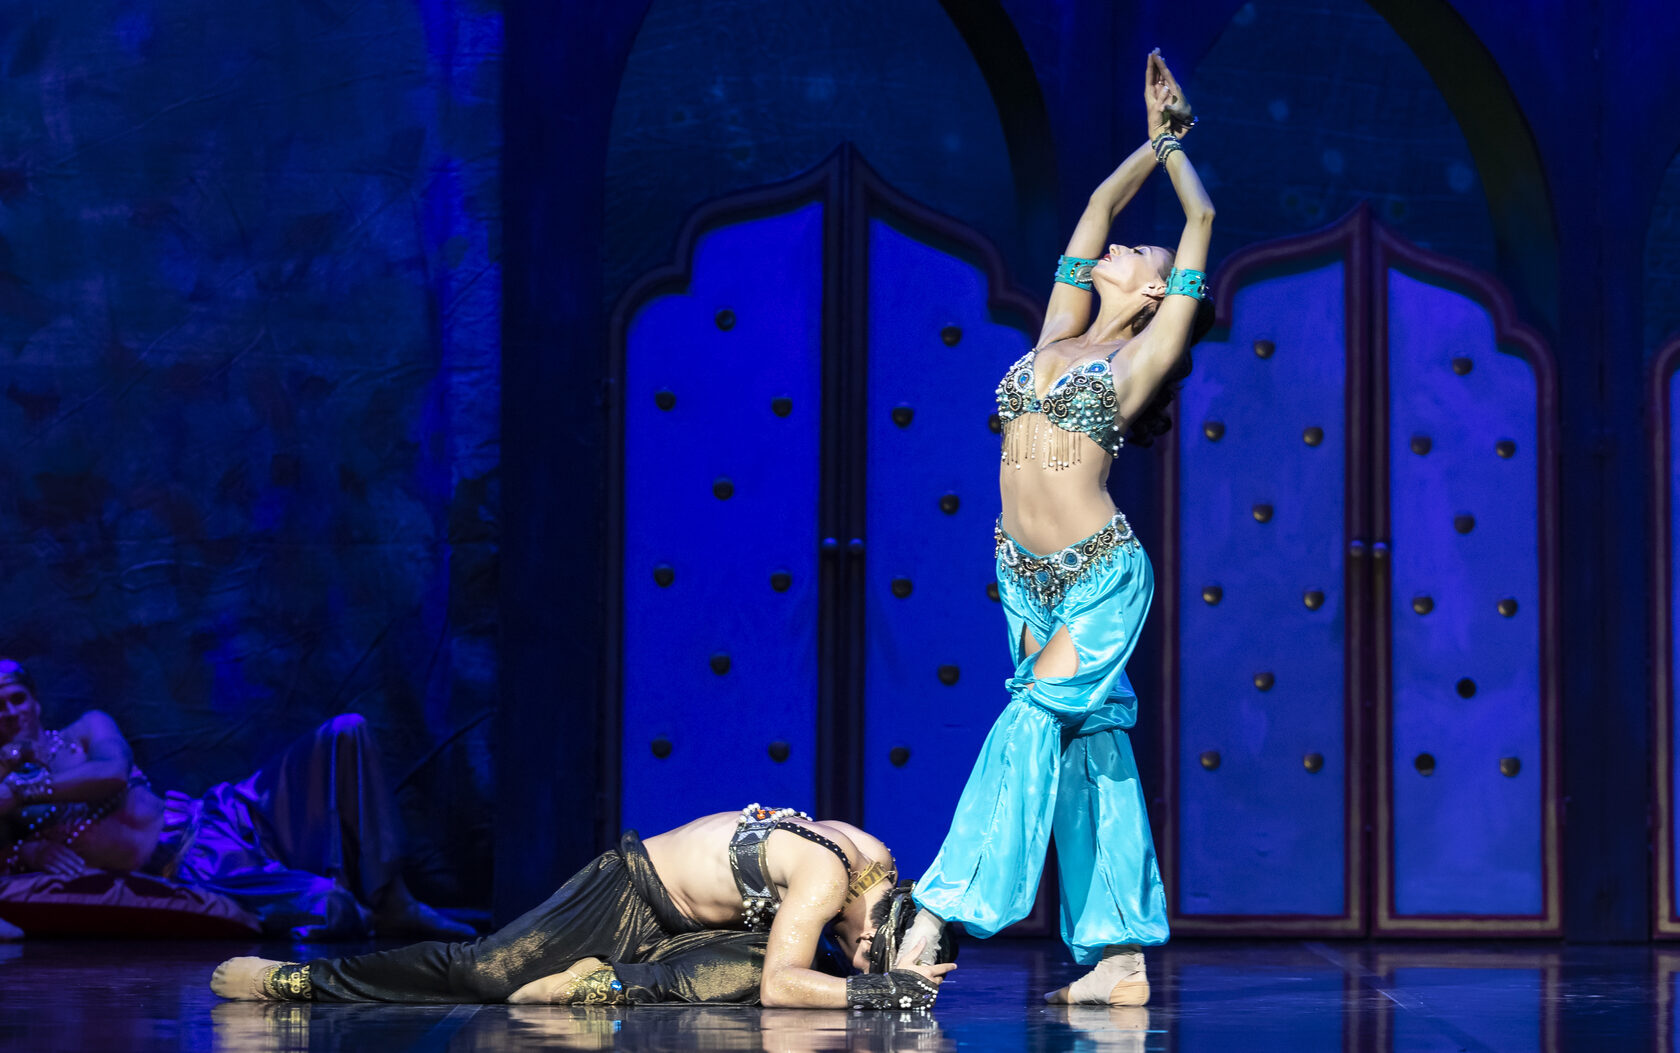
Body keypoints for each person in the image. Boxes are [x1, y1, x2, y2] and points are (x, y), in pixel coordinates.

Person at [895, 51, 1216, 1007]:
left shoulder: (1142, 354)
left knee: (1030, 718)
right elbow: (1096, 210)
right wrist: (1148, 142)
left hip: (1100, 574)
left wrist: (1179, 153)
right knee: (1090, 745)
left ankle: (937, 912)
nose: (1121, 247)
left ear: (1158, 292)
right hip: (1023, 575)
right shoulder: (1058, 335)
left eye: (1139, 253)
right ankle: (1120, 957)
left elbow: (1198, 222)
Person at [210, 804, 957, 1008]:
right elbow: (782, 986)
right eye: (864, 956)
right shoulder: (830, 876)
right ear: (871, 930)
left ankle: (599, 981)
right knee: (483, 972)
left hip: (702, 928)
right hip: (633, 890)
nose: (853, 959)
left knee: (750, 972)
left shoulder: (880, 867)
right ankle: (295, 981)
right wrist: (877, 991)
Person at [0, 658, 469, 940]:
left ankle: (395, 897)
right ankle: (363, 909)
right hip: (194, 867)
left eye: (17, 698)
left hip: (226, 814)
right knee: (332, 906)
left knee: (346, 732)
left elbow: (112, 773)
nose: (10, 711)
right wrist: (28, 849)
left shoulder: (87, 728)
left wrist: (20, 791)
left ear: (36, 701)